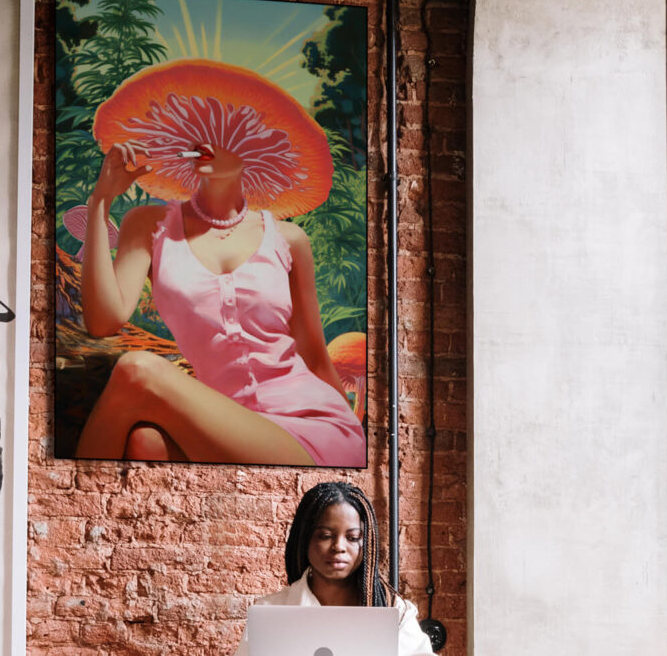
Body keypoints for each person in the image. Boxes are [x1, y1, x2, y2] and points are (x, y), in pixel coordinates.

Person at [74, 140, 366, 466]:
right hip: (226, 422)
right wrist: (100, 201)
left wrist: (360, 453)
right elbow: (103, 321)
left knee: (137, 370)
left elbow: (314, 357)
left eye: (224, 130)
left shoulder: (289, 238)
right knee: (145, 443)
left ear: (252, 146)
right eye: (199, 129)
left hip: (314, 423)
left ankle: (68, 499)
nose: (207, 141)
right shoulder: (149, 224)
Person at [233, 481, 434, 655]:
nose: (339, 546)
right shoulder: (271, 611)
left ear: (367, 544)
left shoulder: (394, 611)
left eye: (352, 538)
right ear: (305, 539)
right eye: (325, 536)